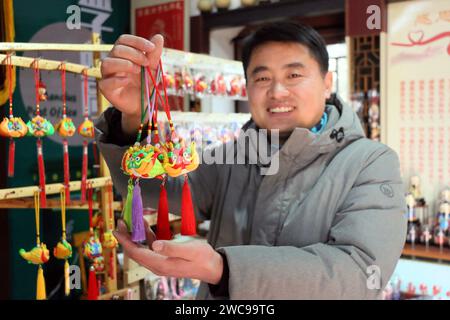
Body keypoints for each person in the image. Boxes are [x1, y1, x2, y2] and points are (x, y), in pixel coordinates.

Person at [96, 22, 407, 299]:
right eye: (262, 78)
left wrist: (225, 269)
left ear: (327, 82)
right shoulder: (233, 156)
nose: (277, 91)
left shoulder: (371, 163)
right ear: (247, 87)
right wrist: (133, 117)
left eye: (294, 74)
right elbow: (152, 189)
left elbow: (357, 274)